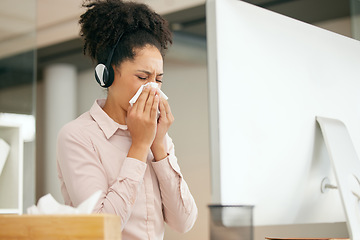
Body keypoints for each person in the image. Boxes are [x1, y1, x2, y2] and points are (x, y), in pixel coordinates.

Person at [56, 0, 198, 239]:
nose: (153, 88)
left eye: (158, 79)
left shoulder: (158, 136)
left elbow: (184, 222)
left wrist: (159, 145)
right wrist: (140, 146)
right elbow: (102, 228)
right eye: (143, 76)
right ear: (107, 74)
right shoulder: (78, 136)